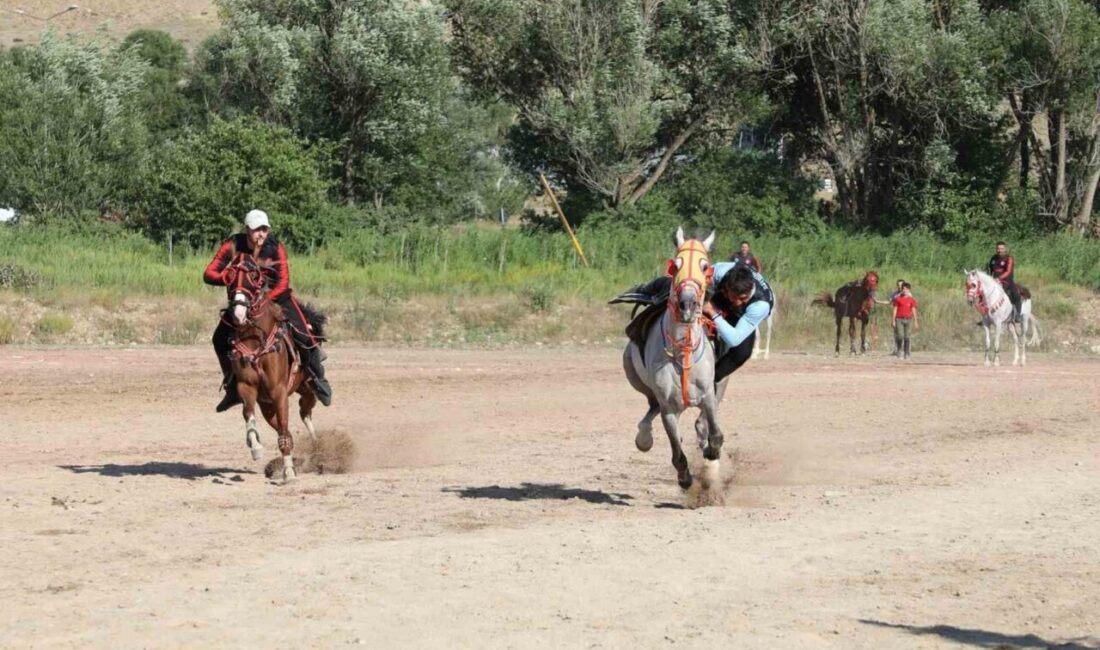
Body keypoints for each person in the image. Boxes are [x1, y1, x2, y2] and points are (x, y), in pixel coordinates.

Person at [203, 209, 332, 412]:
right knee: (219, 338)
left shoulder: (276, 247)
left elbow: (283, 282)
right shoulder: (232, 244)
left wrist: (264, 301)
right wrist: (229, 277)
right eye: (256, 230)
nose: (261, 234)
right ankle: (232, 388)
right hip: (243, 301)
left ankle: (318, 378)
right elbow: (209, 273)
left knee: (306, 335)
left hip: (278, 298)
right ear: (247, 230)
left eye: (264, 229)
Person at [701, 262, 774, 385]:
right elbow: (697, 280)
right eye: (734, 297)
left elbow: (734, 339)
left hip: (743, 315)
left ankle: (710, 380)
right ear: (728, 286)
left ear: (751, 289)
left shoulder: (761, 304)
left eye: (743, 298)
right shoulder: (721, 271)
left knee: (742, 353)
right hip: (720, 298)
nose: (738, 302)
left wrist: (712, 312)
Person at [987, 241, 1021, 322]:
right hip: (994, 282)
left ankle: (1018, 315)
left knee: (1015, 294)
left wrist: (999, 279)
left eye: (1001, 248)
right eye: (998, 248)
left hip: (1007, 281)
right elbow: (990, 270)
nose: (999, 250)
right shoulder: (993, 258)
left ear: (1005, 249)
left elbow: (1008, 271)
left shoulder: (1009, 258)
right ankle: (986, 316)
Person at [892, 282, 918, 360]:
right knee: (900, 336)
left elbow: (914, 310)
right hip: (899, 319)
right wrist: (893, 320)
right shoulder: (897, 299)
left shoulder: (911, 300)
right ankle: (899, 351)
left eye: (906, 289)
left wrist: (916, 321)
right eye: (903, 289)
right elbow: (895, 309)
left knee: (907, 337)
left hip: (908, 319)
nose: (904, 290)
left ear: (909, 290)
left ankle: (906, 353)